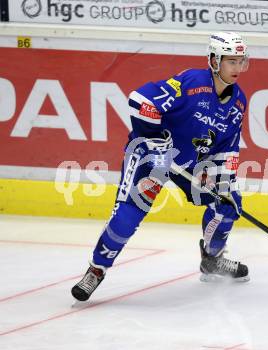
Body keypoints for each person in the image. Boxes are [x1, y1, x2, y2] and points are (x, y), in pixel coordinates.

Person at [71, 32, 250, 302]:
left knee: (228, 203)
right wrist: (155, 141)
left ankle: (212, 260)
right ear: (214, 60)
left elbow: (227, 147)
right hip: (150, 159)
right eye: (231, 61)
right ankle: (96, 269)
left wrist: (220, 178)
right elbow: (140, 101)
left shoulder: (238, 102)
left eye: (241, 62)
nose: (237, 68)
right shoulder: (191, 82)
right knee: (126, 218)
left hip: (188, 165)